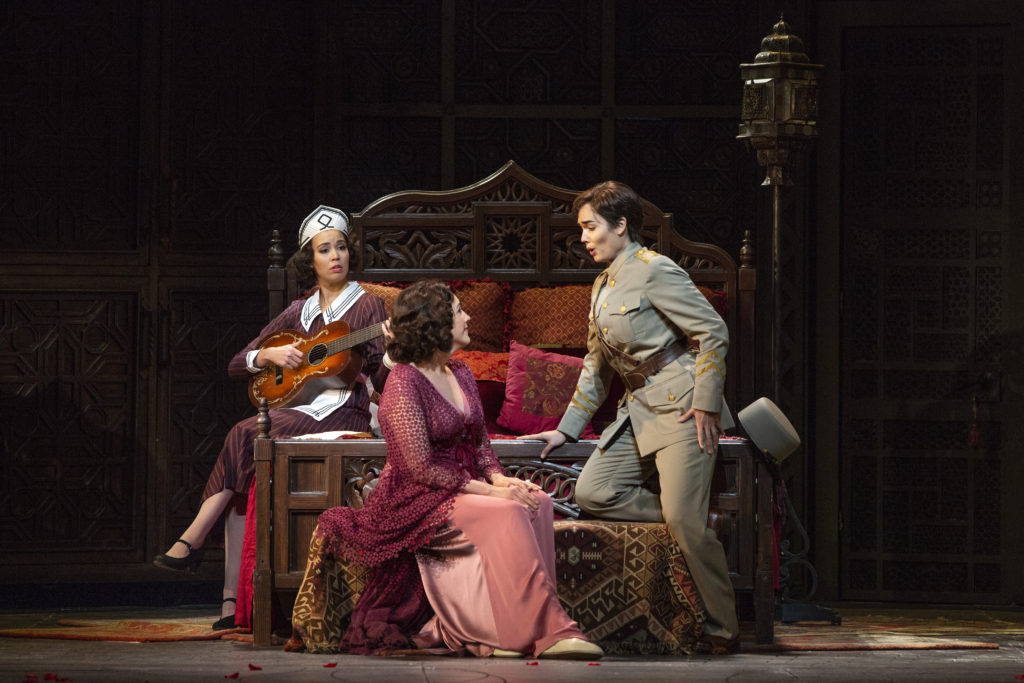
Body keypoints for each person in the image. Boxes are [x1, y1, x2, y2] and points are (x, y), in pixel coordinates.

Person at [309, 280, 603, 659]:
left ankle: (505, 632)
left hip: (466, 486)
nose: (468, 317)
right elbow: (420, 468)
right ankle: (551, 632)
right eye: (459, 311)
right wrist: (493, 493)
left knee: (539, 501)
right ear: (435, 323)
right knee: (512, 509)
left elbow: (480, 443)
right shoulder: (404, 381)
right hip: (421, 498)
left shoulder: (461, 372)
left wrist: (500, 477)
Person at [520, 181, 741, 653]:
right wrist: (567, 428)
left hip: (683, 408)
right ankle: (695, 522)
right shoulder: (603, 284)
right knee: (593, 490)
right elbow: (597, 366)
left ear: (621, 226)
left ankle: (724, 626)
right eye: (582, 228)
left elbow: (713, 330)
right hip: (639, 409)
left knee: (684, 521)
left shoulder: (655, 270)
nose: (583, 237)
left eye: (590, 227)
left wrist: (706, 400)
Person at [153, 205, 390, 630]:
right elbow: (236, 363)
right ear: (309, 261)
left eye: (341, 247)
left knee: (244, 434)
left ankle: (193, 542)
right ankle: (231, 605)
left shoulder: (369, 307)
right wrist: (268, 354)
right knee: (244, 460)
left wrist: (390, 353)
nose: (336, 255)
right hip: (299, 412)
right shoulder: (297, 312)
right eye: (325, 249)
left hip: (345, 413)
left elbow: (382, 380)